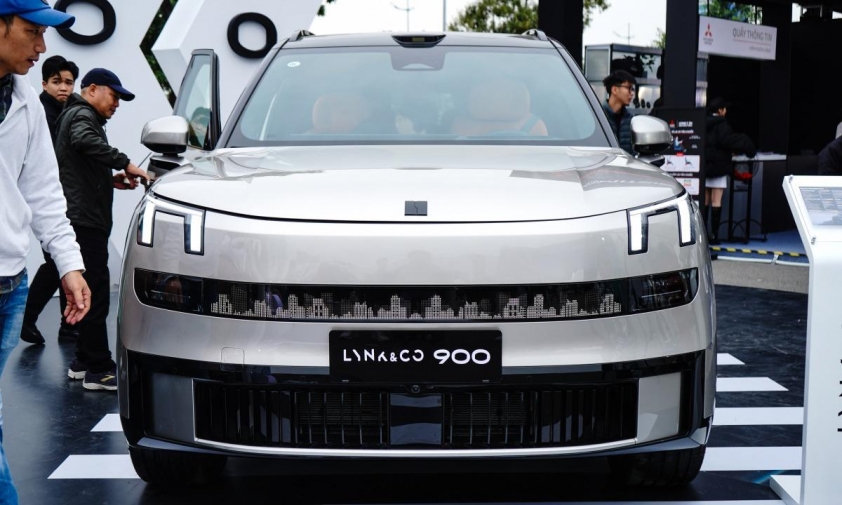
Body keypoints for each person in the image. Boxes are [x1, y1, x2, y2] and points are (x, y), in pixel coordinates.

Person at [0, 2, 91, 502]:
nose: (41, 47)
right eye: (32, 32)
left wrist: (69, 265)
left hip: (9, 284)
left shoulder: (25, 102)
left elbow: (43, 193)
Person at [54, 68, 149, 391]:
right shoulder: (82, 116)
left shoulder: (76, 115)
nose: (117, 103)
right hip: (84, 221)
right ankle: (99, 368)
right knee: (94, 294)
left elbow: (76, 165)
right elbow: (84, 141)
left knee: (86, 293)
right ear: (92, 89)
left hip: (80, 217)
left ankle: (83, 360)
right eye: (114, 95)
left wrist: (110, 180)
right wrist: (125, 163)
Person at [20, 54, 80, 345]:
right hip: (44, 201)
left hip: (61, 199)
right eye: (57, 81)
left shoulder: (65, 111)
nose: (64, 87)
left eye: (68, 82)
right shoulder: (41, 112)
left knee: (63, 262)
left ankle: (65, 325)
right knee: (57, 262)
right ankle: (29, 319)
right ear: (44, 84)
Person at [704, 97, 756, 245]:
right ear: (720, 110)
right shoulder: (722, 125)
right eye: (724, 108)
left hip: (706, 168)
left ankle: (703, 235)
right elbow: (728, 141)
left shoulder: (703, 123)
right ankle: (714, 236)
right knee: (716, 200)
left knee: (705, 201)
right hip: (719, 168)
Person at [602, 69, 637, 154]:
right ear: (614, 90)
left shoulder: (631, 120)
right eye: (628, 88)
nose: (631, 93)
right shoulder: (600, 117)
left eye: (632, 89)